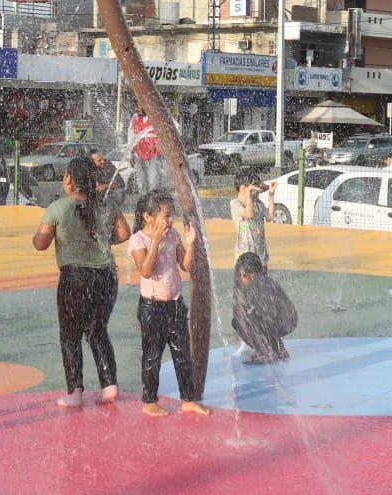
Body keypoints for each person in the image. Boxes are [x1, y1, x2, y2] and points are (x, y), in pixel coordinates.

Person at [33, 155, 130, 408]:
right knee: (98, 331)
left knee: (70, 334)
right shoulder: (106, 205)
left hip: (75, 278)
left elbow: (40, 244)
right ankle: (109, 385)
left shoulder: (58, 208)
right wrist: (100, 243)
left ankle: (75, 391)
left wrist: (45, 235)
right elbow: (124, 234)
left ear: (67, 179)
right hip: (106, 277)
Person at [129, 189, 210, 417]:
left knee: (183, 354)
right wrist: (155, 241)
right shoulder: (138, 240)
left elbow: (185, 265)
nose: (170, 219)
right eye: (165, 215)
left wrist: (190, 244)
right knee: (152, 356)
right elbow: (145, 270)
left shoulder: (173, 235)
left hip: (175, 305)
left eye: (171, 214)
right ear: (148, 217)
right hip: (152, 308)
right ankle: (149, 400)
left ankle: (188, 399)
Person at [232, 252, 297, 365]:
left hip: (281, 321)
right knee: (249, 317)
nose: (240, 279)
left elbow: (268, 317)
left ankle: (265, 352)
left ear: (245, 274)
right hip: (288, 319)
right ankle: (278, 348)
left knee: (240, 321)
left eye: (242, 275)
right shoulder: (264, 281)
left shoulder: (258, 287)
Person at [229, 167, 269, 268]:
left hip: (260, 250)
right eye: (254, 188)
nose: (257, 192)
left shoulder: (258, 204)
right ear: (243, 189)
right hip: (244, 252)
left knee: (262, 280)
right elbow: (249, 215)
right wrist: (249, 194)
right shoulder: (235, 203)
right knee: (245, 281)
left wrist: (271, 195)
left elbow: (270, 216)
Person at [129, 110, 166, 193]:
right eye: (135, 106)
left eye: (138, 106)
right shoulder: (135, 118)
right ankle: (144, 202)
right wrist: (130, 155)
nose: (136, 109)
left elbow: (173, 127)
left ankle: (154, 202)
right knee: (141, 182)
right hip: (138, 153)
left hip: (154, 153)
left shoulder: (157, 115)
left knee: (153, 181)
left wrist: (162, 143)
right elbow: (131, 136)